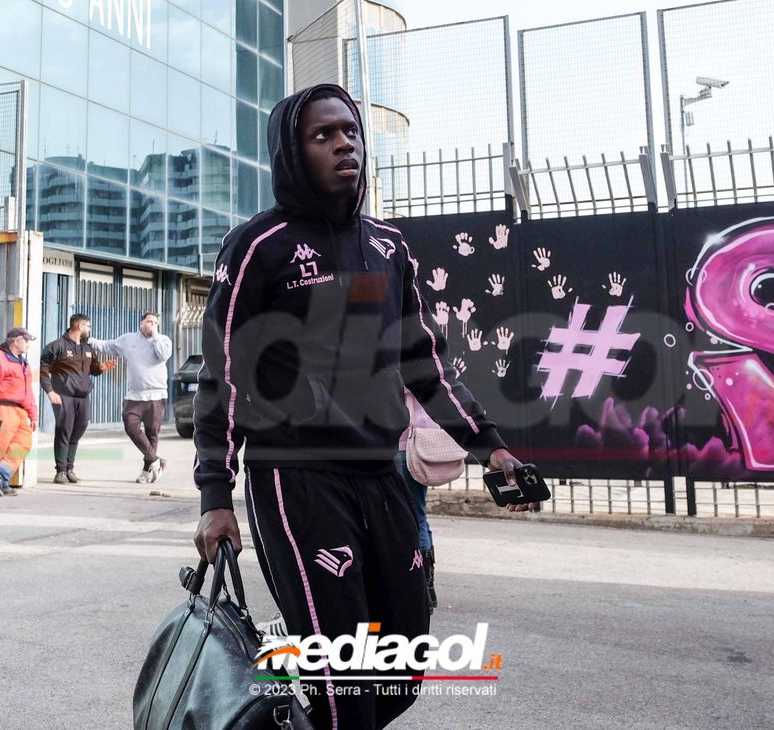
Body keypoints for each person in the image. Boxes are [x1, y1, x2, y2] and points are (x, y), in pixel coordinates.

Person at [192, 84, 538, 730]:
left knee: (399, 671)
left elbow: (424, 363)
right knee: (343, 685)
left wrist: (489, 444)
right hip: (295, 483)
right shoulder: (257, 248)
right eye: (323, 135)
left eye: (350, 131)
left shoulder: (388, 247)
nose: (344, 143)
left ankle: (294, 680)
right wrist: (216, 495)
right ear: (293, 153)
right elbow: (223, 377)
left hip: (383, 475)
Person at [91, 313, 173, 484]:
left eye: (155, 322)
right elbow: (108, 345)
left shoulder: (164, 340)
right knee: (130, 425)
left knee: (152, 434)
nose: (152, 324)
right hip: (135, 395)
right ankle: (155, 460)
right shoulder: (129, 339)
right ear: (141, 323)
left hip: (156, 395)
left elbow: (163, 356)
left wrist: (155, 336)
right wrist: (89, 340)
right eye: (149, 321)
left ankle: (147, 470)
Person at [39, 313, 117, 484]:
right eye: (88, 326)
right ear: (80, 326)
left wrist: (101, 367)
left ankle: (70, 468)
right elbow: (43, 371)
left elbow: (94, 369)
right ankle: (60, 471)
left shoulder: (87, 348)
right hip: (63, 396)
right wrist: (50, 392)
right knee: (64, 431)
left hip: (83, 397)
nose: (89, 329)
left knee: (79, 429)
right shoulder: (56, 346)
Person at [396, 389, 442, 611]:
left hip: (408, 443)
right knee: (419, 515)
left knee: (412, 516)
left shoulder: (406, 362)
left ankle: (422, 587)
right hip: (417, 442)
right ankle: (426, 587)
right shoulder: (426, 360)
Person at [0, 327, 39, 497]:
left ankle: (1, 473)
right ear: (16, 341)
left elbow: (29, 392)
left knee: (24, 443)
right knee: (1, 446)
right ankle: (1, 482)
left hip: (20, 412)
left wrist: (32, 414)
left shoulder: (22, 363)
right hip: (2, 409)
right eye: (26, 341)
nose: (28, 345)